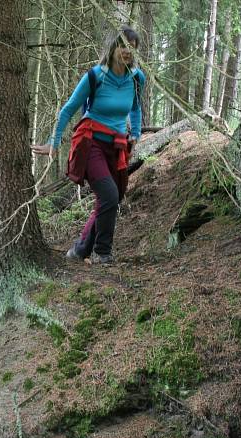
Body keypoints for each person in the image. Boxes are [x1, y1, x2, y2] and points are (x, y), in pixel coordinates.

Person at [32, 25, 145, 265]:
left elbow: (135, 108)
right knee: (109, 195)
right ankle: (103, 252)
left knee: (111, 198)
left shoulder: (137, 78)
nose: (128, 51)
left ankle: (80, 250)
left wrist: (135, 132)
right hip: (91, 143)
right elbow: (68, 109)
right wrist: (54, 142)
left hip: (116, 147)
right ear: (113, 47)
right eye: (124, 45)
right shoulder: (95, 76)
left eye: (132, 47)